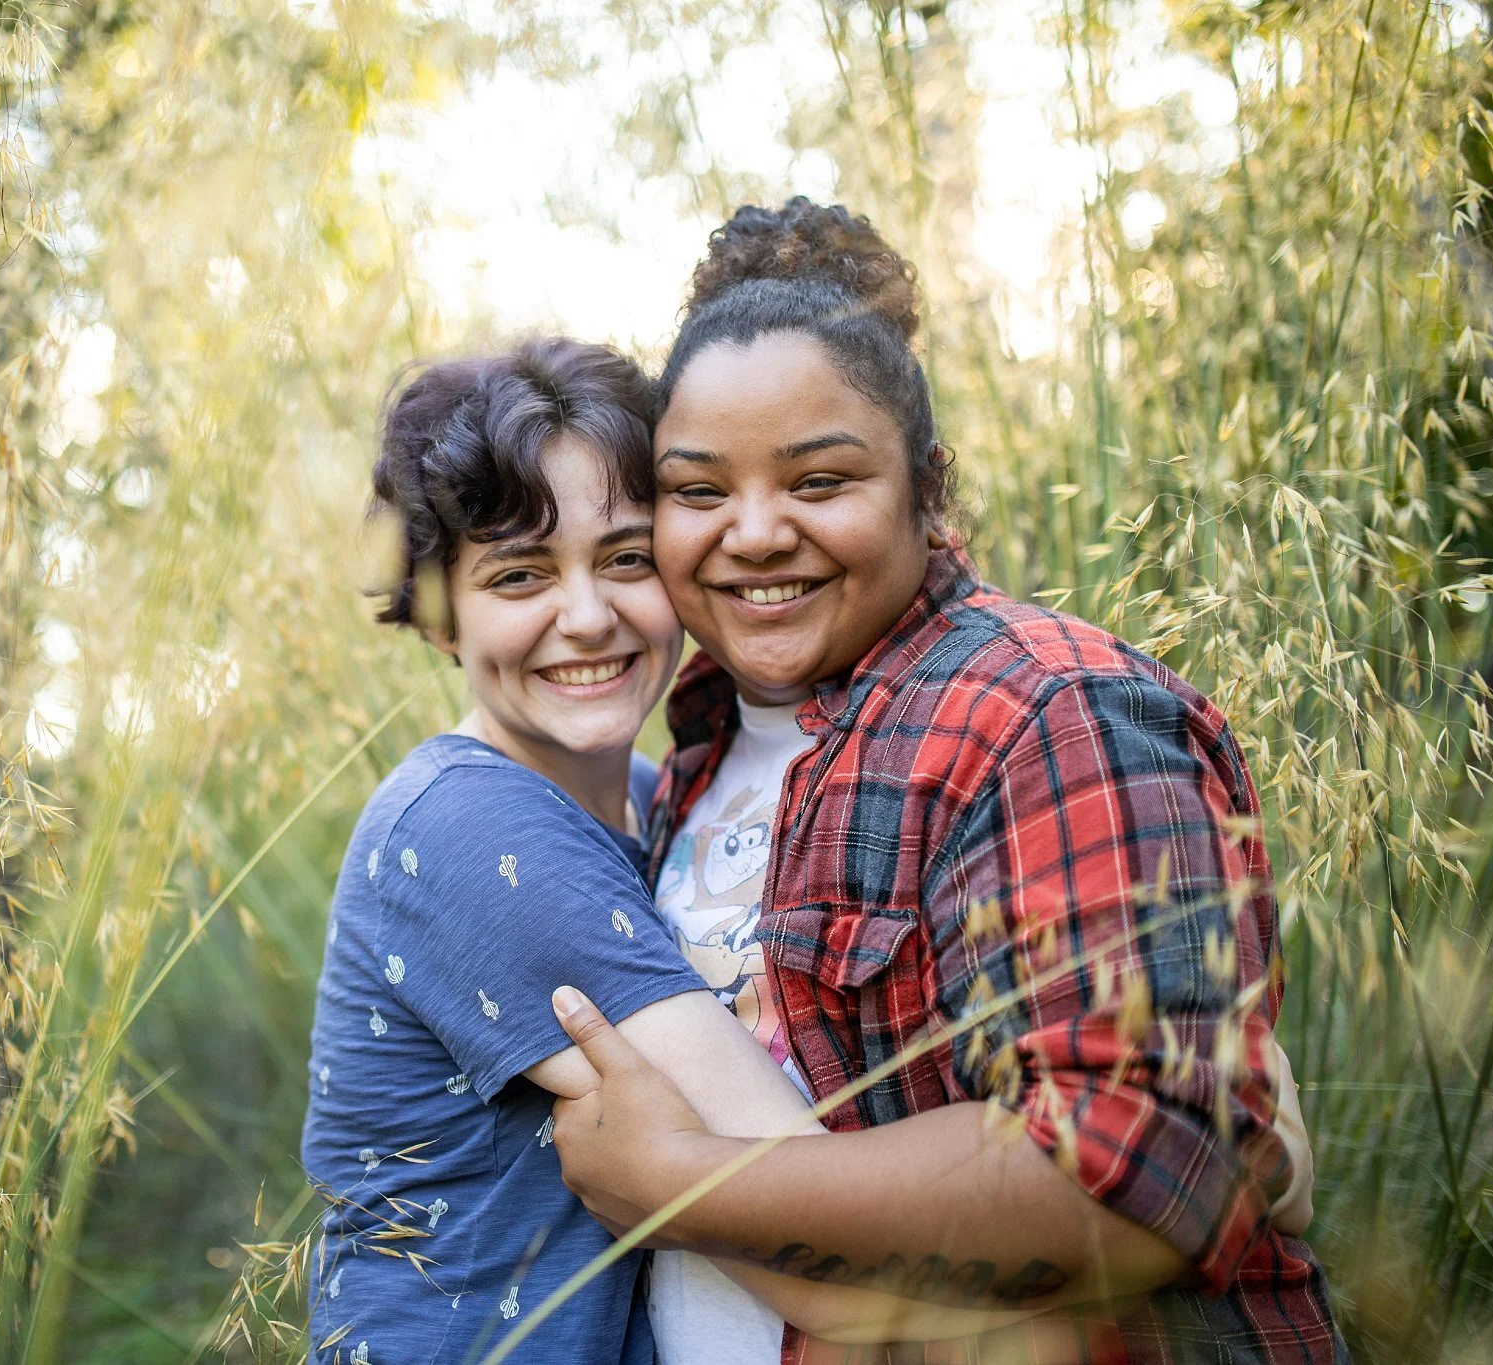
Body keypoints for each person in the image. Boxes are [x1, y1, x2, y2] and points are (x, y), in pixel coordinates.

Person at [299, 334, 1313, 1365]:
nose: (588, 616)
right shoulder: (469, 825)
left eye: (625, 557)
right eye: (518, 577)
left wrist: (1205, 1106)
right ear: (437, 618)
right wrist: (1188, 1198)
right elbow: (811, 1247)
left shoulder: (666, 798)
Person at [545, 199, 1343, 1363]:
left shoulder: (1042, 714)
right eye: (699, 491)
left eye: (818, 482)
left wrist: (679, 1184)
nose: (753, 533)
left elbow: (1138, 1177)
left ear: (927, 491)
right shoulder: (683, 778)